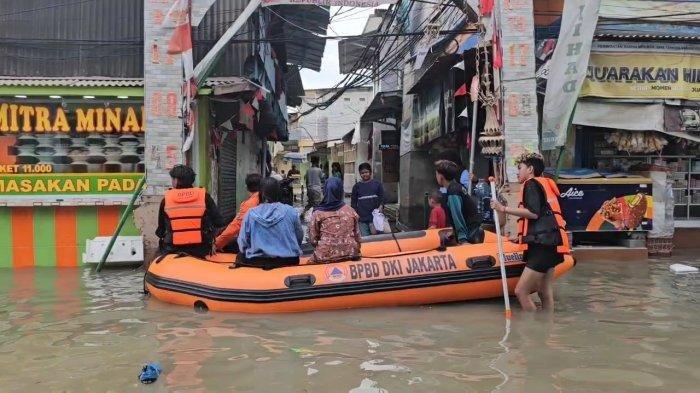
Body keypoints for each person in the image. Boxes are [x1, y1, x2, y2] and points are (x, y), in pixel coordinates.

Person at [490, 152, 570, 311]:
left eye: (519, 168)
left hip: (542, 245)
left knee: (521, 291)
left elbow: (533, 213)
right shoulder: (545, 183)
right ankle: (547, 326)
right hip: (553, 243)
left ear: (530, 169)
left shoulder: (531, 184)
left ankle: (534, 330)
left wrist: (503, 208)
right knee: (544, 291)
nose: (517, 172)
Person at [156, 164, 225, 258]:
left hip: (173, 249)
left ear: (176, 180)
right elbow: (219, 222)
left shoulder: (166, 200)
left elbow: (160, 230)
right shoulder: (204, 197)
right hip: (201, 249)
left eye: (172, 179)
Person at [238, 177, 303, 268]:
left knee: (239, 256)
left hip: (257, 261)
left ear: (260, 193)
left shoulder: (250, 213)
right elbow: (299, 237)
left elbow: (243, 242)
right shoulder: (290, 211)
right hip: (288, 260)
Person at [308, 177, 361, 263]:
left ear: (325, 191)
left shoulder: (318, 213)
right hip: (350, 253)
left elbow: (313, 239)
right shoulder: (350, 211)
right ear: (340, 191)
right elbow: (357, 236)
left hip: (324, 256)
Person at [434, 160, 482, 244]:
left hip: (471, 234)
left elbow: (458, 216)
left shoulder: (453, 191)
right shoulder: (457, 187)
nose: (436, 176)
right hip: (473, 230)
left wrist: (462, 239)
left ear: (441, 177)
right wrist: (454, 232)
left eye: (436, 174)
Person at [214, 173, 261, 253]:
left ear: (247, 187)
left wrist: (216, 244)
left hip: (253, 245)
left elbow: (235, 227)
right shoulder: (267, 200)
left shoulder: (250, 204)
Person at [351, 162, 385, 236]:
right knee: (366, 240)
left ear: (370, 172)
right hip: (362, 219)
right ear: (360, 174)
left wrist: (381, 207)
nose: (364, 174)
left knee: (376, 239)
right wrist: (356, 215)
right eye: (362, 173)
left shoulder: (377, 184)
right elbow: (353, 203)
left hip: (375, 218)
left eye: (366, 172)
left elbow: (382, 198)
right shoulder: (356, 186)